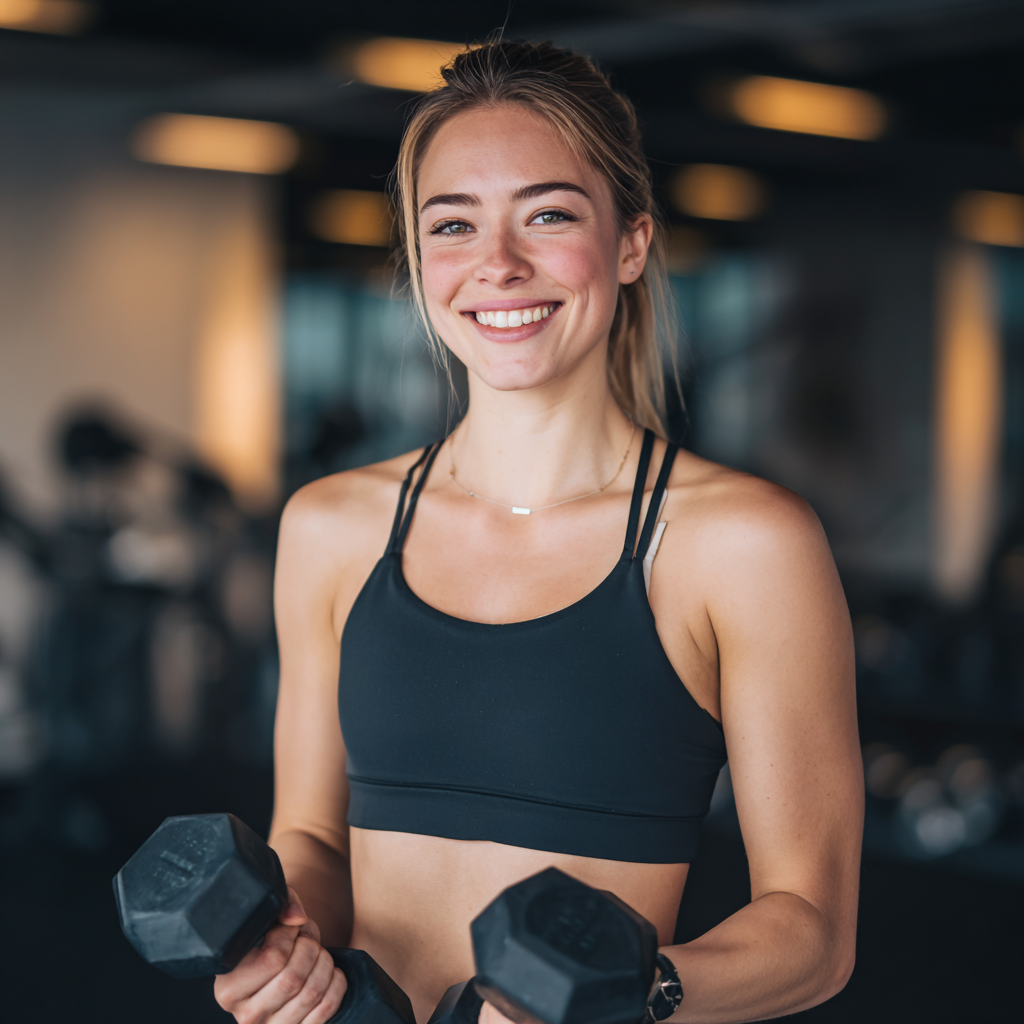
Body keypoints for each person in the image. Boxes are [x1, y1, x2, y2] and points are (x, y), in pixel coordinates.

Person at [214, 41, 863, 1024]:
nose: (498, 265)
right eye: (453, 225)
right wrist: (287, 935)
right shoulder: (332, 527)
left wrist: (614, 995)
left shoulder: (738, 543)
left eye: (548, 215)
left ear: (632, 242)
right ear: (420, 257)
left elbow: (811, 931)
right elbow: (309, 832)